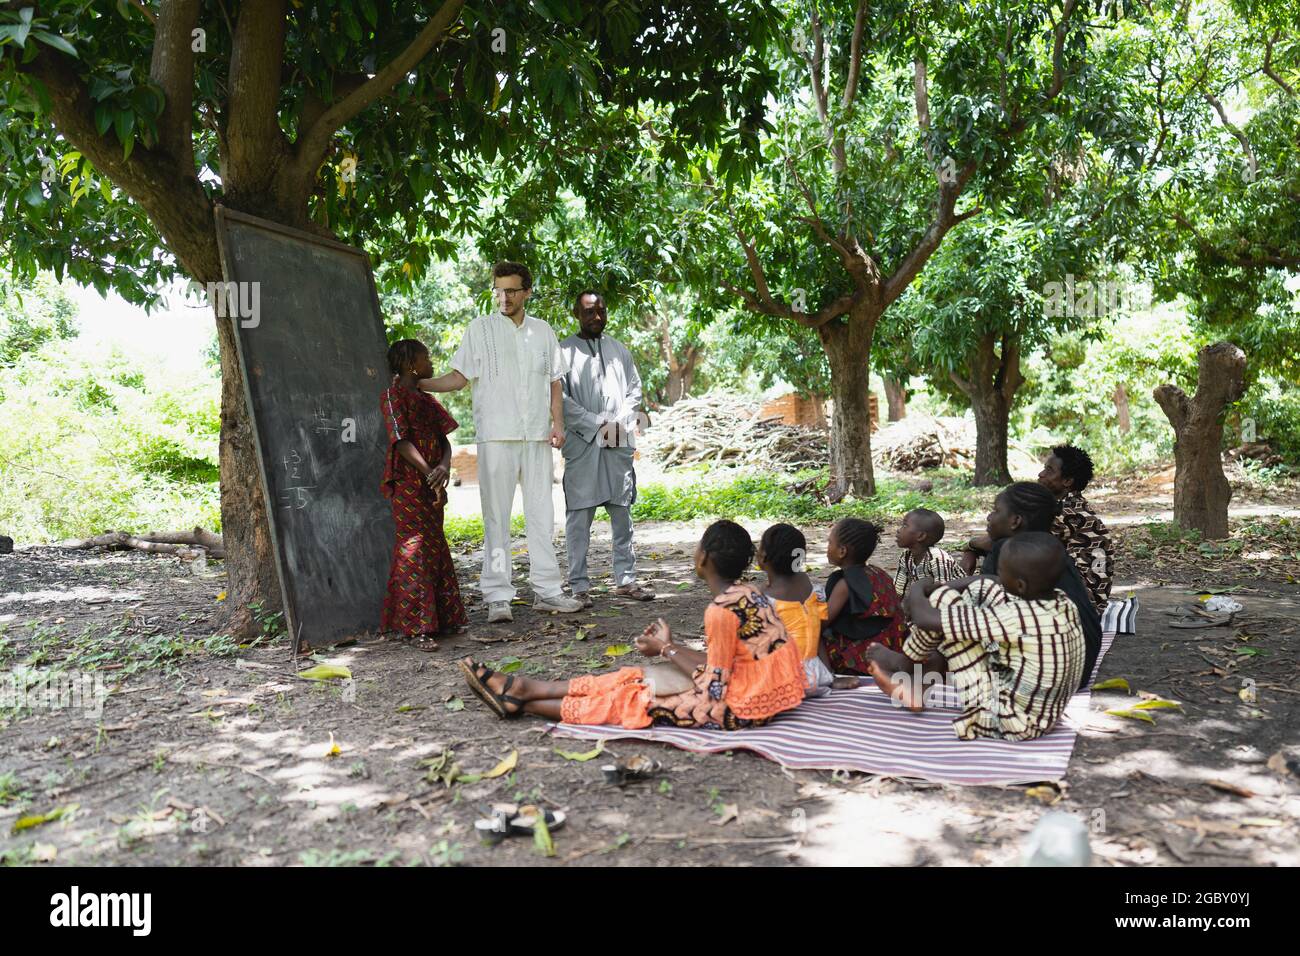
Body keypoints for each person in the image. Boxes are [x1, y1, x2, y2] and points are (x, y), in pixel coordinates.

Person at [457, 520, 805, 729]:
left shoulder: (720, 611)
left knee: (632, 699)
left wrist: (667, 650)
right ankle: (526, 688)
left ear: (703, 558)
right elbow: (728, 665)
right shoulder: (752, 594)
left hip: (745, 709)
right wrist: (668, 650)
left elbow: (715, 688)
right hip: (758, 691)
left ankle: (522, 702)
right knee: (635, 674)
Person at [414, 262, 583, 622]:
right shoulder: (480, 329)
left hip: (536, 436)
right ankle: (497, 596)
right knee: (495, 519)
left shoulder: (543, 332)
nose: (503, 298)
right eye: (498, 290)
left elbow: (555, 381)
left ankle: (548, 591)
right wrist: (417, 385)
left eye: (511, 291)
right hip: (495, 435)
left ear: (527, 292)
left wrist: (558, 424)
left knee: (542, 514)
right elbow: (459, 378)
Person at [864, 533, 1086, 742]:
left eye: (1002, 569)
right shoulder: (1061, 601)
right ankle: (917, 676)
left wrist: (919, 589)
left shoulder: (1015, 617)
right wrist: (937, 588)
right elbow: (987, 581)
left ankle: (905, 666)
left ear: (1020, 585)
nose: (998, 574)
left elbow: (925, 619)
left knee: (943, 607)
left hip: (1012, 722)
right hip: (1043, 712)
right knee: (980, 589)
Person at [557, 291, 654, 607]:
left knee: (622, 515)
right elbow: (561, 400)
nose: (596, 317)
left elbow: (634, 390)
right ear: (576, 313)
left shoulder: (618, 349)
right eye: (589, 312)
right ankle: (579, 586)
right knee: (579, 520)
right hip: (583, 445)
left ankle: (626, 581)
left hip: (617, 442)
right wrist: (597, 423)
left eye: (601, 311)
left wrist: (620, 422)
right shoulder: (563, 352)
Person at [963, 482, 1101, 689]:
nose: (989, 517)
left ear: (1015, 521)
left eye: (995, 510)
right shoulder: (1048, 548)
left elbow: (980, 603)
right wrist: (973, 545)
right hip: (1082, 664)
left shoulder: (1005, 549)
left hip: (1045, 675)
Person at [379, 339, 468, 651]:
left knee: (434, 545)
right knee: (413, 549)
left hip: (432, 483)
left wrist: (443, 466)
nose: (430, 362)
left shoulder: (426, 399)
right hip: (408, 483)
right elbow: (400, 442)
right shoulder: (393, 397)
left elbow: (444, 440)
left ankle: (442, 620)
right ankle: (417, 628)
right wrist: (429, 470)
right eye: (425, 357)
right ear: (410, 365)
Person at [756, 523, 837, 697]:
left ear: (762, 557)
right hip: (818, 676)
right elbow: (818, 636)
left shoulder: (763, 597)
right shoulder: (808, 585)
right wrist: (830, 676)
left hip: (784, 681)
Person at [821, 517, 906, 673]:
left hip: (861, 658)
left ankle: (829, 675)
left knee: (814, 635)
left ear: (842, 551)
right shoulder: (878, 572)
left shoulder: (844, 584)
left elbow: (823, 621)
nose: (827, 547)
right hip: (894, 645)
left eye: (830, 543)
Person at [1039, 444, 1114, 613]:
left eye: (1049, 470)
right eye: (1044, 468)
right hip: (1083, 600)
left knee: (1005, 551)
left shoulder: (1068, 513)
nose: (1041, 474)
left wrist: (970, 547)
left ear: (1067, 481)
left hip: (1083, 607)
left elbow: (1019, 542)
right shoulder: (1071, 506)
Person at [893, 508, 962, 602]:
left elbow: (944, 590)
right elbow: (898, 590)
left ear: (921, 536)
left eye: (905, 526)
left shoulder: (938, 558)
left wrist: (917, 594)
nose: (898, 530)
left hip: (956, 599)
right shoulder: (906, 557)